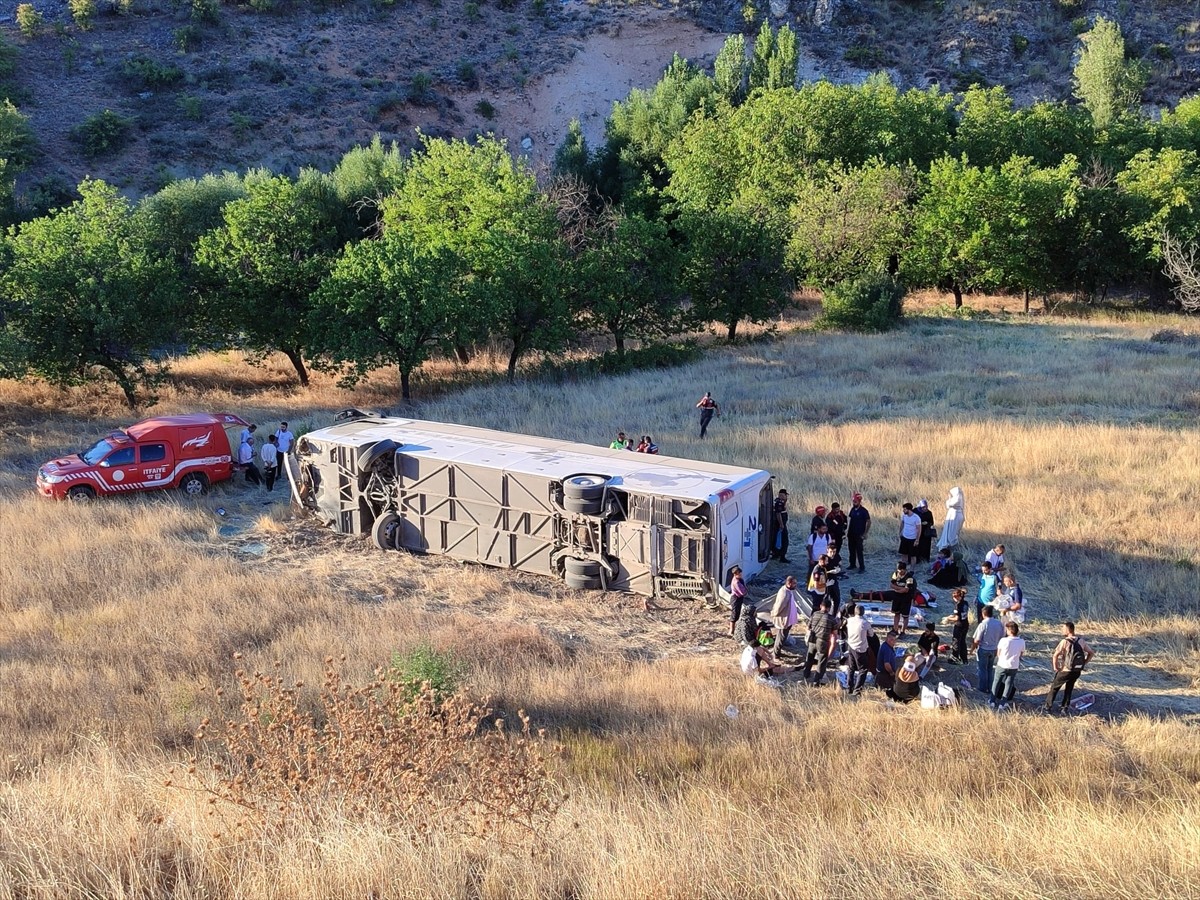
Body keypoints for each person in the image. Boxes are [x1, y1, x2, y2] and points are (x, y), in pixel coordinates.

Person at [1043, 622, 1095, 714]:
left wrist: (1056, 667)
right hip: (1076, 670)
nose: (1062, 630)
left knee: (1054, 688)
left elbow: (1055, 655)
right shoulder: (1081, 641)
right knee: (1069, 688)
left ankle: (1048, 707)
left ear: (1068, 630)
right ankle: (1064, 708)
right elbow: (1091, 653)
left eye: (1063, 628)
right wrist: (1084, 662)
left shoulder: (1064, 642)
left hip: (1065, 670)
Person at [802, 598, 838, 685]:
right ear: (829, 608)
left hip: (812, 639)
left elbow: (808, 627)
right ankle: (816, 680)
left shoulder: (814, 614)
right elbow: (834, 634)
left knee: (809, 658)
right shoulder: (832, 619)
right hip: (823, 642)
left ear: (820, 606)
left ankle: (806, 674)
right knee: (822, 661)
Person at [991, 622, 1026, 709]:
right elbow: (1021, 654)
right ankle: (1002, 703)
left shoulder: (1003, 640)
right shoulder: (1021, 642)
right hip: (1013, 665)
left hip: (1002, 664)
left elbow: (998, 653)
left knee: (996, 682)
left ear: (1010, 631)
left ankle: (992, 701)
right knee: (1008, 684)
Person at [971, 605, 1005, 695]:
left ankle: (982, 688)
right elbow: (1002, 636)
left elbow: (977, 640)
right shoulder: (999, 623)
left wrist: (972, 649)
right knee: (990, 669)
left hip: (983, 649)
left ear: (983, 614)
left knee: (982, 669)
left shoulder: (983, 624)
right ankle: (990, 688)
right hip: (994, 649)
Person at [845, 604, 875, 694]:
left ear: (855, 612)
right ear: (863, 612)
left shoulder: (849, 620)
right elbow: (871, 634)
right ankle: (857, 690)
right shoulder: (865, 623)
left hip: (851, 646)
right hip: (860, 648)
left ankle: (849, 687)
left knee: (851, 668)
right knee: (863, 669)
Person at [770, 575, 802, 648]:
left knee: (782, 636)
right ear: (789, 584)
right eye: (794, 583)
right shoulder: (784, 593)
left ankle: (777, 650)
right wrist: (774, 614)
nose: (796, 585)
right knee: (781, 637)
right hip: (784, 619)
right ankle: (776, 652)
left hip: (788, 618)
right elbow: (779, 606)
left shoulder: (788, 591)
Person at [889, 561, 916, 636]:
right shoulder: (895, 573)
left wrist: (897, 589)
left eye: (900, 571)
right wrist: (900, 589)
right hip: (897, 597)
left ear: (904, 570)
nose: (899, 572)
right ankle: (895, 629)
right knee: (896, 613)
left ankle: (903, 631)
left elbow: (906, 590)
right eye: (898, 570)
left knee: (905, 616)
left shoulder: (909, 577)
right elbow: (891, 585)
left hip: (906, 598)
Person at [847, 492, 871, 573]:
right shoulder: (852, 509)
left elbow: (869, 521)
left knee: (859, 551)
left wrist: (865, 533)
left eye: (855, 501)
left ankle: (862, 567)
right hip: (851, 533)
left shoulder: (864, 511)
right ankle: (852, 564)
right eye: (853, 501)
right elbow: (850, 520)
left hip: (859, 534)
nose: (854, 503)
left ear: (859, 501)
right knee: (851, 550)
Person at [937, 487, 965, 551]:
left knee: (951, 532)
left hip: (954, 516)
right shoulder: (959, 498)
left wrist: (949, 498)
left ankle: (950, 544)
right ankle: (950, 544)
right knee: (951, 532)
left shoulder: (957, 498)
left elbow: (949, 504)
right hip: (955, 515)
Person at [947, 588, 970, 664]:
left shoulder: (958, 605)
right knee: (963, 641)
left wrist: (948, 618)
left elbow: (957, 618)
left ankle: (955, 658)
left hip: (959, 625)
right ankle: (964, 659)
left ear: (957, 597)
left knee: (956, 642)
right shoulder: (965, 603)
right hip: (965, 624)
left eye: (954, 597)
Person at [898, 503, 921, 567]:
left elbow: (919, 529)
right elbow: (902, 523)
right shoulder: (904, 516)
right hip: (905, 537)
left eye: (905, 509)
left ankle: (912, 569)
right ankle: (903, 568)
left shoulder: (916, 518)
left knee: (913, 556)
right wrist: (900, 532)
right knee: (904, 554)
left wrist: (917, 539)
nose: (903, 510)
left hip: (912, 539)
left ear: (909, 510)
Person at [771, 489, 791, 563]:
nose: (786, 497)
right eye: (785, 495)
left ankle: (776, 554)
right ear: (782, 495)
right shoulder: (779, 503)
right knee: (784, 541)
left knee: (776, 539)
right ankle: (782, 557)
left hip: (778, 525)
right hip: (780, 525)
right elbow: (778, 514)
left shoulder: (778, 501)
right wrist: (781, 524)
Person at [728, 566, 747, 637]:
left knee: (737, 613)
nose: (741, 574)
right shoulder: (736, 582)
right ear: (735, 574)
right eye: (739, 573)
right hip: (736, 599)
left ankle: (734, 628)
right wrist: (746, 592)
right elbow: (742, 592)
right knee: (734, 614)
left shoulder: (739, 579)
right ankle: (731, 631)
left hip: (738, 598)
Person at [915, 499, 935, 564]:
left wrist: (927, 523)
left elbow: (932, 522)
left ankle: (925, 559)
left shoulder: (929, 513)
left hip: (925, 532)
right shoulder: (915, 511)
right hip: (917, 531)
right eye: (923, 507)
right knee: (917, 545)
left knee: (926, 546)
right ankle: (917, 559)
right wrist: (919, 523)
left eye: (926, 507)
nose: (925, 508)